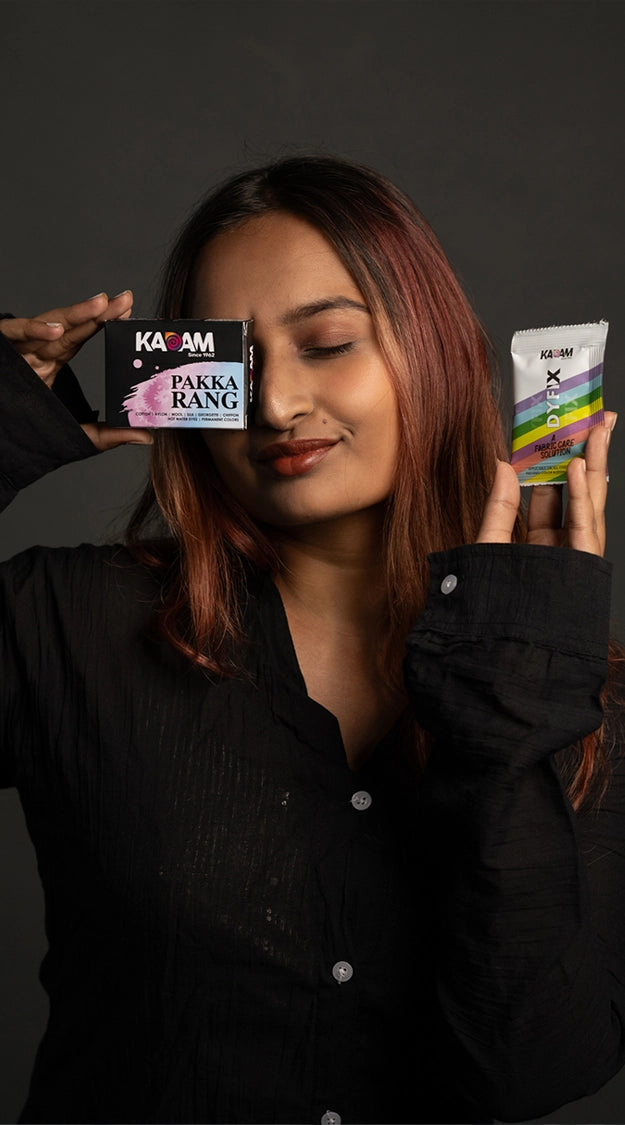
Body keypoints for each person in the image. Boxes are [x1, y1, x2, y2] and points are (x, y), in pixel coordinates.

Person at [0, 155, 623, 1125]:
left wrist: (520, 691)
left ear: (432, 350)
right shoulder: (65, 623)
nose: (275, 403)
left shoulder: (567, 686)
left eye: (327, 342)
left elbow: (530, 1068)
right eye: (230, 364)